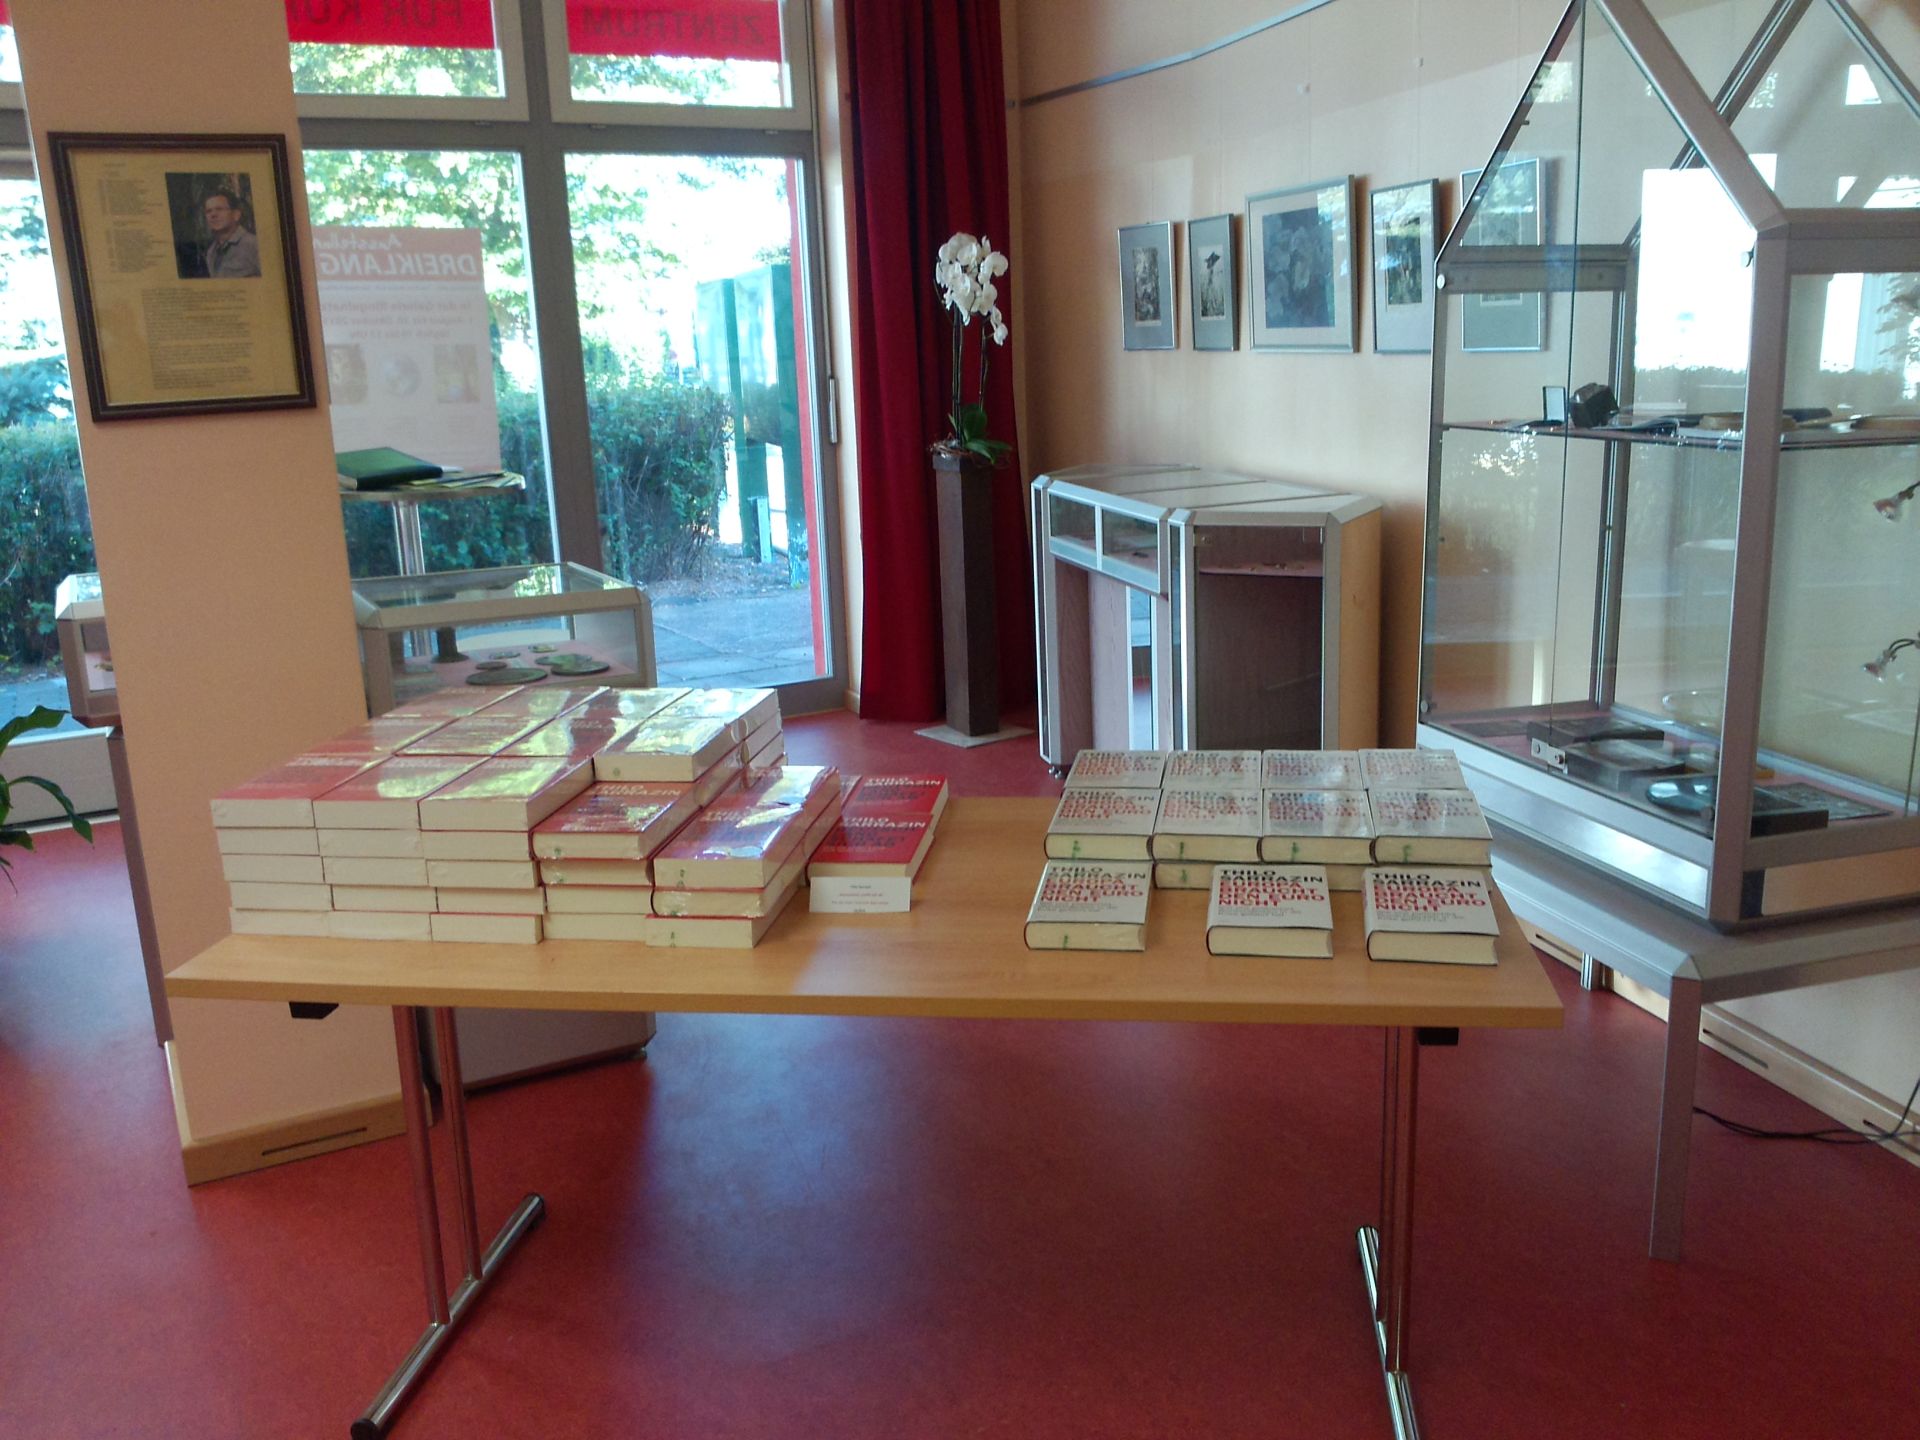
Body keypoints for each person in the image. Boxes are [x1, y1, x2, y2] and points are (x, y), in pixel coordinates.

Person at [201, 189, 260, 279]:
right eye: (209, 211)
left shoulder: (254, 245)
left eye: (219, 209)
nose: (213, 214)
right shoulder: (211, 252)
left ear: (236, 215)